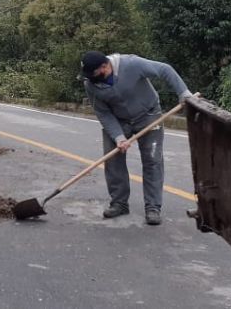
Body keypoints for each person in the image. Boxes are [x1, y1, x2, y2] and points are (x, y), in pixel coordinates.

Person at [81, 51, 193, 226]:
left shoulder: (131, 64)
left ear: (104, 66)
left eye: (93, 74)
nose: (90, 79)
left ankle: (153, 207)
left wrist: (184, 93)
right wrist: (118, 137)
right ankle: (119, 203)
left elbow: (165, 70)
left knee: (152, 160)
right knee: (112, 158)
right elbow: (103, 113)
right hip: (119, 120)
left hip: (148, 115)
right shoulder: (90, 84)